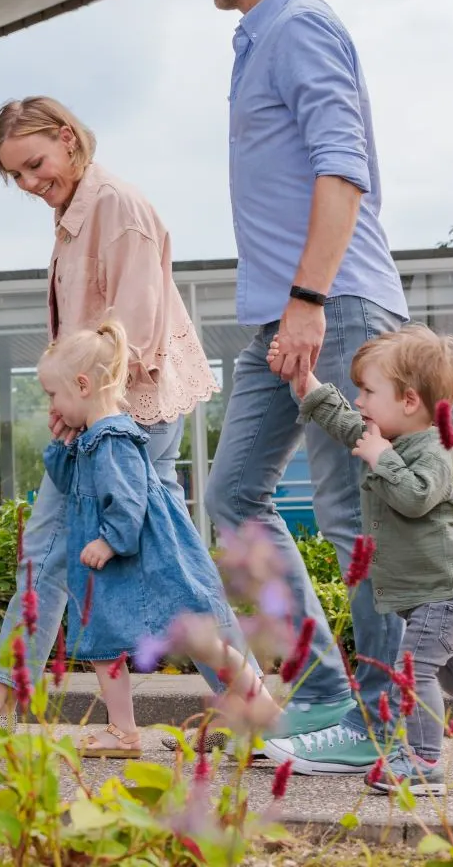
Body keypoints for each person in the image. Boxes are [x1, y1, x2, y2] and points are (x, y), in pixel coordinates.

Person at [0, 97, 216, 735]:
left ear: (68, 137)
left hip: (123, 412)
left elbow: (131, 329)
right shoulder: (79, 211)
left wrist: (83, 410)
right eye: (15, 176)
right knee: (168, 559)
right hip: (112, 409)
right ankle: (256, 700)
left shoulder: (115, 209)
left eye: (33, 164)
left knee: (56, 550)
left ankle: (1, 697)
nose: (28, 183)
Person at [195, 0, 411, 773]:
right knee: (233, 495)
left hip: (334, 305)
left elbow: (341, 167)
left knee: (351, 511)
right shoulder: (259, 39)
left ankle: (381, 722)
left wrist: (310, 303)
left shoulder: (300, 25)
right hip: (279, 314)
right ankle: (324, 690)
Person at [276, 326, 453, 793]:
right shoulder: (390, 435)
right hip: (437, 594)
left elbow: (415, 497)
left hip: (450, 592)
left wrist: (382, 459)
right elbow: (348, 426)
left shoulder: (436, 450)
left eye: (367, 391)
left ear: (408, 401)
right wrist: (309, 388)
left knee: (414, 670)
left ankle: (423, 763)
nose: (359, 401)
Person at [36, 322, 278, 757]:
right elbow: (75, 484)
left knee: (197, 636)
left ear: (83, 384)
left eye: (53, 395)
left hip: (146, 561)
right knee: (104, 644)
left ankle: (264, 711)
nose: (51, 405)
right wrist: (61, 445)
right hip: (119, 567)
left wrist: (111, 541)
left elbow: (129, 503)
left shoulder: (114, 440)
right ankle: (123, 731)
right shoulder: (92, 439)